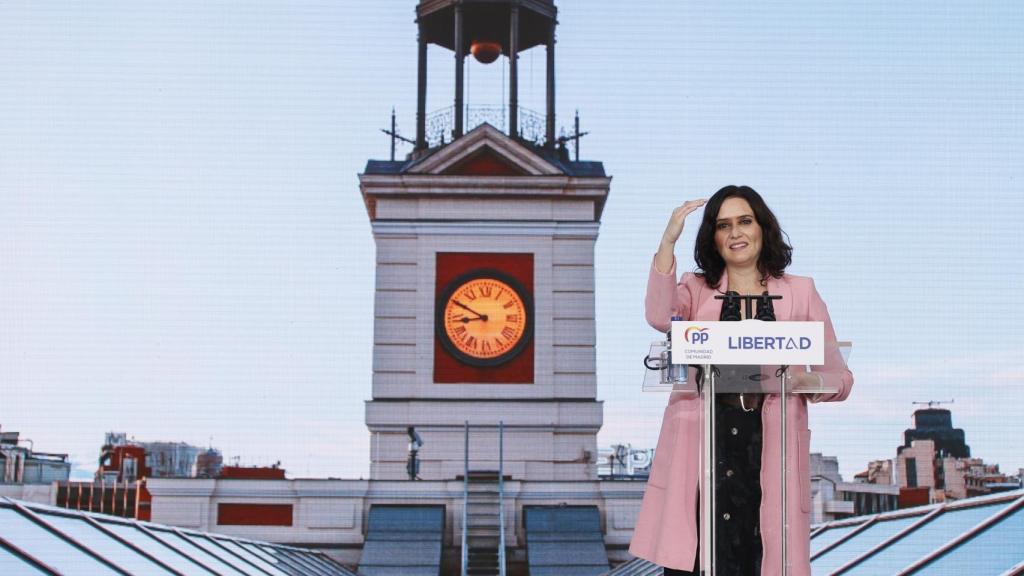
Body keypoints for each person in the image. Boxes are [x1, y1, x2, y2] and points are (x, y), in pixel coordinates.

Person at [627, 185, 854, 576]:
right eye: (723, 225)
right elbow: (660, 315)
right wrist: (667, 240)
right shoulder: (696, 289)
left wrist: (806, 381)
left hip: (767, 446)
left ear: (762, 227)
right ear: (713, 238)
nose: (736, 233)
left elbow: (841, 378)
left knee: (757, 556)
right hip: (703, 444)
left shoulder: (801, 293)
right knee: (695, 557)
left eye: (745, 221)